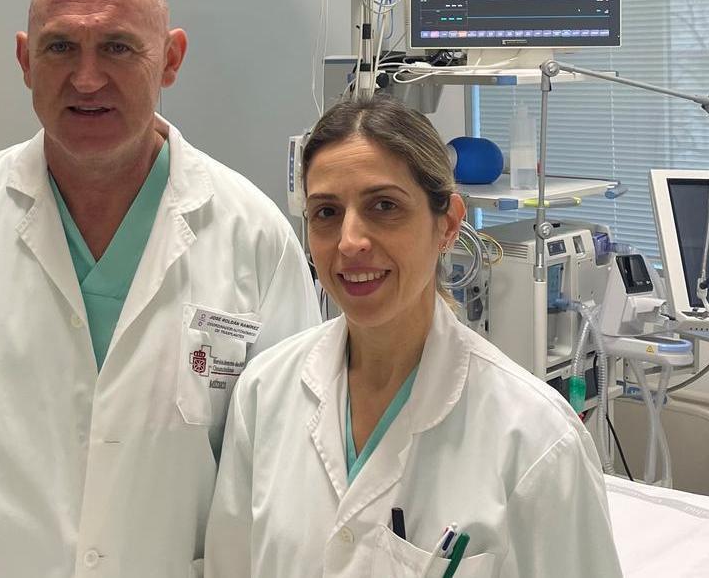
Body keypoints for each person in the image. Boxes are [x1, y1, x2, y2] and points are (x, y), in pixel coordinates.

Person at [0, 0, 320, 577]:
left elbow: (280, 453)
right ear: (25, 61)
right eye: (60, 47)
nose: (86, 79)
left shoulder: (254, 237)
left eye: (117, 47)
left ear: (170, 59)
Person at [204, 94, 623, 578]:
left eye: (384, 206)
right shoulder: (264, 392)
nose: (350, 242)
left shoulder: (537, 438)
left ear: (448, 224)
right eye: (326, 212)